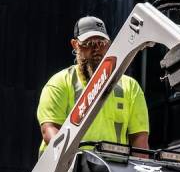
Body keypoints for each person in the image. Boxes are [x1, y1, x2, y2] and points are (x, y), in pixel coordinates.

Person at [37, 16, 150, 153]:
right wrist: (70, 162)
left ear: (109, 44)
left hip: (112, 169)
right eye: (89, 43)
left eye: (101, 43)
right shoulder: (59, 83)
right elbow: (50, 130)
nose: (96, 48)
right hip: (66, 169)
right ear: (75, 44)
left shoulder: (130, 87)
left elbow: (140, 141)